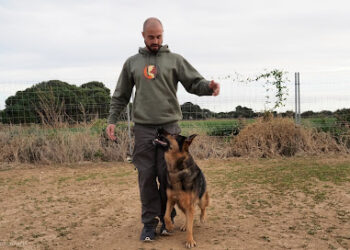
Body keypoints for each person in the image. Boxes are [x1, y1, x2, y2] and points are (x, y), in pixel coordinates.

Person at [106, 17, 220, 242]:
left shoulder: (175, 61)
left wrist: (208, 87)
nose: (155, 40)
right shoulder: (132, 63)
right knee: (146, 176)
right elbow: (121, 95)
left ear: (163, 34)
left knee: (167, 176)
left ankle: (167, 218)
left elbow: (194, 82)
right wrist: (112, 120)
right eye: (151, 37)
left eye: (159, 36)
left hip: (170, 129)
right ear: (143, 35)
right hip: (144, 129)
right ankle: (149, 224)